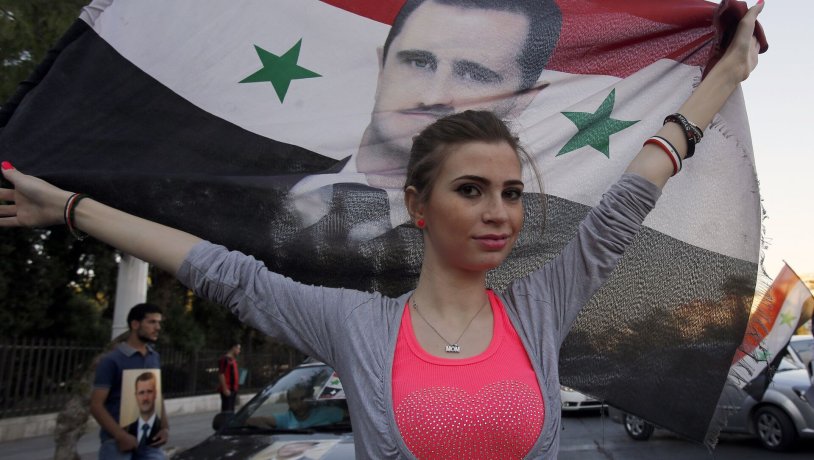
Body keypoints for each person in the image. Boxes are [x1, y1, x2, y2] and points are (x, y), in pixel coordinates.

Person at [0, 3, 763, 457]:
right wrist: (63, 207)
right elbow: (218, 269)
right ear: (419, 204)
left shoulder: (540, 307)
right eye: (472, 190)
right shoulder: (354, 324)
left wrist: (722, 76)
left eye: (510, 191)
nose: (499, 210)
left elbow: (631, 196)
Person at [290, 0, 560, 233]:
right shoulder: (262, 175)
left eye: (473, 75)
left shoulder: (532, 241)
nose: (432, 97)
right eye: (419, 62)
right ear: (383, 67)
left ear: (521, 101)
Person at [85, 303, 169, 460]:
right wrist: (120, 435)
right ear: (135, 324)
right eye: (152, 322)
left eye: (159, 323)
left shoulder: (154, 357)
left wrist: (165, 427)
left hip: (150, 441)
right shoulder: (112, 360)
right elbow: (96, 405)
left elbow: (158, 396)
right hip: (116, 444)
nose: (157, 327)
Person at [246, 385, 344, 430]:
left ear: (309, 398)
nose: (299, 404)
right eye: (294, 400)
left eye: (303, 399)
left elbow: (353, 418)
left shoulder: (327, 413)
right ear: (288, 403)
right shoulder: (286, 418)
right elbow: (254, 420)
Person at [126, 372, 163, 448]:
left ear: (155, 394)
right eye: (141, 393)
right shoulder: (127, 430)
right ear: (136, 396)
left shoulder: (161, 428)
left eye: (149, 392)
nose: (145, 398)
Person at [217, 343, 241, 412]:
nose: (239, 351)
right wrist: (225, 389)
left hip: (233, 390)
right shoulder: (225, 359)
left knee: (231, 411)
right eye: (238, 348)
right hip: (228, 390)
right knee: (227, 411)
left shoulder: (233, 360)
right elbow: (221, 374)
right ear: (233, 348)